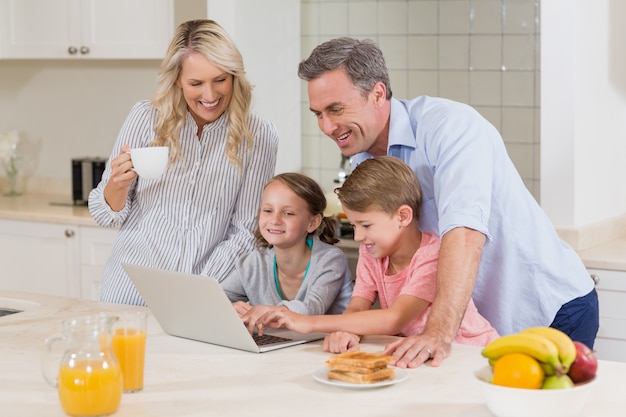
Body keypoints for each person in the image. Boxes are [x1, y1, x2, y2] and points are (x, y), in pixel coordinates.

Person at [296, 37, 598, 368]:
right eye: (318, 114)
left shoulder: (451, 128)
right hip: (471, 326)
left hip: (543, 308)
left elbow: (465, 233)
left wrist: (438, 331)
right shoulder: (362, 158)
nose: (327, 126)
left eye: (336, 109)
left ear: (378, 94)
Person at [89, 19, 279, 305]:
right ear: (177, 79)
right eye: (196, 83)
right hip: (128, 292)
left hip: (200, 297)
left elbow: (246, 231)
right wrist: (115, 186)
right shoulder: (145, 118)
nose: (210, 95)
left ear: (234, 76)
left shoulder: (259, 136)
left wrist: (195, 289)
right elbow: (105, 215)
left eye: (220, 80)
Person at [256, 156, 499, 350]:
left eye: (366, 225)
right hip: (424, 355)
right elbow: (358, 307)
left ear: (402, 216)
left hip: (471, 353)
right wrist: (346, 329)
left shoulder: (432, 255)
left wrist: (308, 323)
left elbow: (395, 319)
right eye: (354, 226)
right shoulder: (372, 253)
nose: (359, 237)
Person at [221, 172, 354, 330]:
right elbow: (217, 298)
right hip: (279, 349)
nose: (275, 220)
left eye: (288, 213)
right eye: (268, 210)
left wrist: (267, 311)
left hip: (327, 348)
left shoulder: (330, 260)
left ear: (312, 222)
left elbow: (311, 310)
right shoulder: (255, 261)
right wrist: (230, 308)